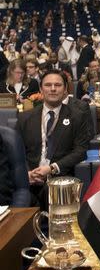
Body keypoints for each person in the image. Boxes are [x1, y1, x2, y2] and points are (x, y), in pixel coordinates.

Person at [16, 70, 90, 209]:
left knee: (53, 193)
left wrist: (51, 168)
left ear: (65, 90)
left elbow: (80, 151)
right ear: (41, 89)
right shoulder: (25, 118)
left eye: (58, 85)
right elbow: (17, 152)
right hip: (29, 179)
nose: (53, 89)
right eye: (48, 85)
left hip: (59, 179)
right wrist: (27, 174)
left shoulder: (77, 117)